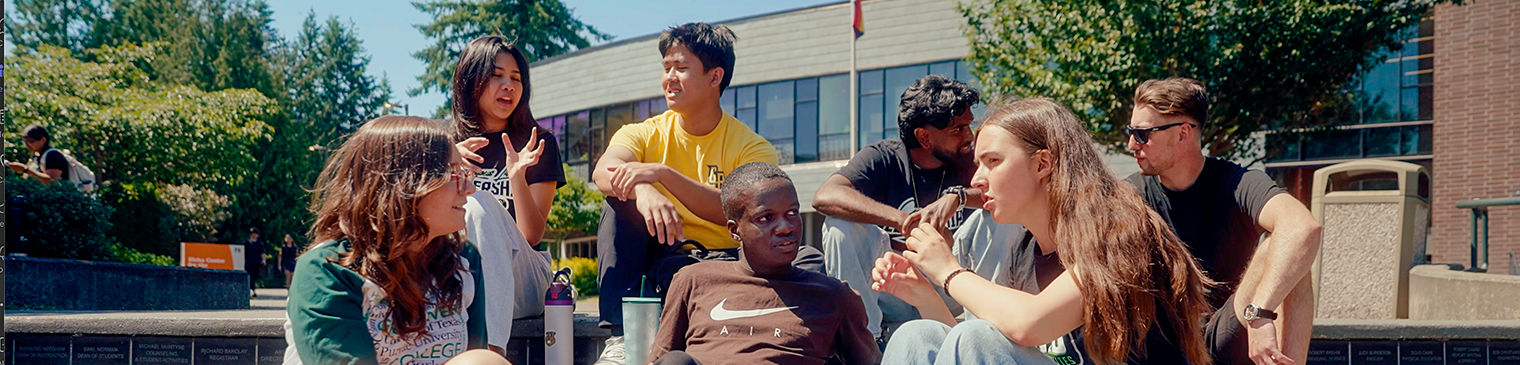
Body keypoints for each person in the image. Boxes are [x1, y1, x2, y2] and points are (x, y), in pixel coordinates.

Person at [873, 98, 1214, 365]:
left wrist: (948, 271)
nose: (976, 179)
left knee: (977, 337)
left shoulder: (1119, 234)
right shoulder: (1023, 247)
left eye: (993, 162)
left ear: (1043, 164)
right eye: (978, 164)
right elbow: (972, 353)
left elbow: (1027, 325)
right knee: (917, 336)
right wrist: (923, 294)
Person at [591, 22, 824, 364]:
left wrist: (664, 176)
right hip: (673, 263)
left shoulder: (751, 147)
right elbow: (603, 171)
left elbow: (742, 209)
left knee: (808, 260)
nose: (670, 77)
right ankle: (622, 339)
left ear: (715, 77)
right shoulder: (643, 132)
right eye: (666, 68)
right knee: (618, 203)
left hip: (737, 262)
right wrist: (643, 188)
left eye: (681, 68)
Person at [1122, 78, 1321, 365]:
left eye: (1142, 134)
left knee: (1283, 248)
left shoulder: (1238, 182)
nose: (1131, 144)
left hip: (1223, 339)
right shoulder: (1127, 198)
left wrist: (1260, 313)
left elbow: (1303, 228)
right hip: (1157, 349)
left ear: (1182, 133)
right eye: (1130, 132)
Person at [284, 115, 509, 365]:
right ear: (405, 183)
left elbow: (475, 349)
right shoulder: (327, 270)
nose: (469, 188)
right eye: (453, 173)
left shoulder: (464, 260)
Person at [813, 74, 1021, 341]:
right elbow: (825, 195)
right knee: (839, 226)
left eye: (969, 125)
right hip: (891, 285)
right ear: (924, 137)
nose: (969, 136)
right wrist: (902, 220)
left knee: (1001, 216)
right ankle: (863, 340)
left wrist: (957, 197)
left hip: (952, 285)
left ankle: (986, 333)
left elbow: (1011, 194)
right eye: (957, 129)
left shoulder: (970, 156)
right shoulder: (884, 157)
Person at [648, 162, 880, 365]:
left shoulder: (834, 295)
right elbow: (660, 359)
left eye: (792, 212)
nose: (786, 227)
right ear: (735, 230)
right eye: (766, 218)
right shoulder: (693, 280)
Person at [449, 34, 561, 353]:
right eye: (496, 75)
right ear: (471, 81)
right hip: (456, 276)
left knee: (480, 201)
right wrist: (445, 167)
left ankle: (491, 353)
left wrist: (517, 178)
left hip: (525, 278)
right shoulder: (446, 144)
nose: (508, 85)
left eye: (515, 78)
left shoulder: (538, 143)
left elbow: (532, 234)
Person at [245, 227, 265, 298]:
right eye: (252, 234)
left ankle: (252, 289)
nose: (254, 235)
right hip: (248, 262)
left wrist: (263, 260)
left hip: (256, 262)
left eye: (255, 234)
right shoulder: (246, 243)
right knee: (251, 276)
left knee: (255, 276)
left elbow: (262, 252)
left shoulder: (259, 243)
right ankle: (252, 290)